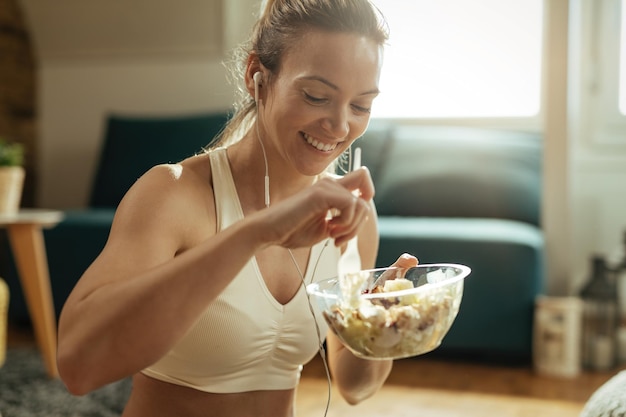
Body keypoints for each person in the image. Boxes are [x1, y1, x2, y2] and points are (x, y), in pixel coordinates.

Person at [57, 0, 418, 416]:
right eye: (316, 96)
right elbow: (78, 367)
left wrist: (381, 323)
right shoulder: (174, 195)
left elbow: (355, 385)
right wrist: (257, 232)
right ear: (256, 76)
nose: (339, 127)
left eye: (361, 106)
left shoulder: (354, 217)